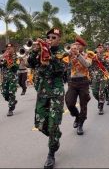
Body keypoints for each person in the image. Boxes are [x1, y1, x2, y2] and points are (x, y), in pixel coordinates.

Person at [27, 28, 67, 168]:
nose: (50, 39)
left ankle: (51, 153)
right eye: (48, 36)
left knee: (53, 123)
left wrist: (48, 52)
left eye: (54, 37)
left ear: (59, 39)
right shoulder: (40, 51)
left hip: (56, 92)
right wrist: (35, 50)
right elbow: (30, 64)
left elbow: (60, 69)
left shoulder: (63, 53)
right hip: (43, 91)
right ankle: (55, 135)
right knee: (40, 123)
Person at [65, 36, 91, 135]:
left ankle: (80, 124)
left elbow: (87, 65)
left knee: (83, 105)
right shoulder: (69, 55)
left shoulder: (88, 55)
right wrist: (71, 56)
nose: (76, 46)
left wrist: (78, 55)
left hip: (83, 82)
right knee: (69, 102)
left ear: (82, 47)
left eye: (78, 45)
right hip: (73, 81)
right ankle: (77, 116)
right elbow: (66, 66)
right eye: (75, 45)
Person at [0, 43, 19, 116]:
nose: (9, 49)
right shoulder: (4, 56)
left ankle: (10, 109)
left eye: (10, 48)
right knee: (5, 94)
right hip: (5, 78)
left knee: (11, 93)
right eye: (7, 48)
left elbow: (16, 67)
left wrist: (9, 60)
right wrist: (2, 59)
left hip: (12, 78)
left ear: (13, 49)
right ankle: (13, 101)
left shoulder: (16, 57)